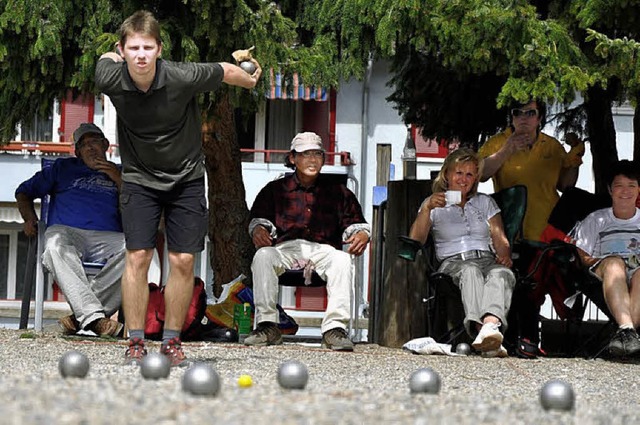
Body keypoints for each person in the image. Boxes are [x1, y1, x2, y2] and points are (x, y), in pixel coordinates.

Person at [94, 10, 262, 366]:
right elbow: (105, 59)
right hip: (139, 179)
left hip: (185, 178)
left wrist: (250, 81)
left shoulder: (181, 76)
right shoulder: (110, 76)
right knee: (137, 257)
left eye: (148, 47)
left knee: (183, 260)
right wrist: (111, 53)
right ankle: (136, 341)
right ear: (123, 50)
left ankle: (171, 341)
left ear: (159, 49)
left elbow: (225, 70)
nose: (141, 55)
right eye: (134, 48)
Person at [478, 100, 585, 355]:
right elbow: (480, 174)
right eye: (517, 113)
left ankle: (532, 340)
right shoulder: (497, 142)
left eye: (530, 113)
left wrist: (575, 159)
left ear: (539, 118)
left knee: (543, 285)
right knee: (517, 282)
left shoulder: (551, 145)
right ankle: (517, 338)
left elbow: (565, 184)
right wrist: (506, 149)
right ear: (511, 118)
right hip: (512, 229)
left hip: (547, 228)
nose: (523, 118)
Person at [245, 132, 370, 351]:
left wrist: (362, 234)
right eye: (305, 154)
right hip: (285, 248)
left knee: (341, 259)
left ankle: (334, 329)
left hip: (324, 250)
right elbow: (259, 220)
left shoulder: (339, 192)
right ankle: (267, 325)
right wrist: (258, 229)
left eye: (317, 154)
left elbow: (356, 223)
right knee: (263, 256)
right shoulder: (274, 190)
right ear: (293, 158)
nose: (312, 160)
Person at [15, 123, 125, 337]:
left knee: (139, 252)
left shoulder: (120, 172)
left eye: (94, 142)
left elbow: (138, 207)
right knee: (54, 245)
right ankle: (94, 318)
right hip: (68, 232)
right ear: (77, 152)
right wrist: (29, 218)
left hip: (109, 237)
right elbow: (23, 192)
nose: (90, 148)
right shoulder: (62, 168)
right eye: (84, 145)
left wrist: (119, 180)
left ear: (106, 145)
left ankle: (82, 317)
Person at [409, 148, 515, 357]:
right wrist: (427, 209)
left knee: (502, 274)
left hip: (486, 258)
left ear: (475, 178)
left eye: (469, 174)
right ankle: (480, 330)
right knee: (470, 271)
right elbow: (415, 241)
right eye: (458, 173)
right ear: (446, 174)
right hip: (453, 263)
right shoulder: (434, 204)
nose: (463, 179)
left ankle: (490, 327)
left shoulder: (484, 202)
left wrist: (504, 254)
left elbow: (500, 238)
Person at [570, 160, 640, 358]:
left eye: (631, 186)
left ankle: (626, 333)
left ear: (639, 189)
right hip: (606, 270)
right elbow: (584, 256)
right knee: (615, 263)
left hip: (638, 271)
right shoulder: (596, 219)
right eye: (619, 186)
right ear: (610, 190)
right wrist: (608, 260)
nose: (625, 191)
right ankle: (628, 330)